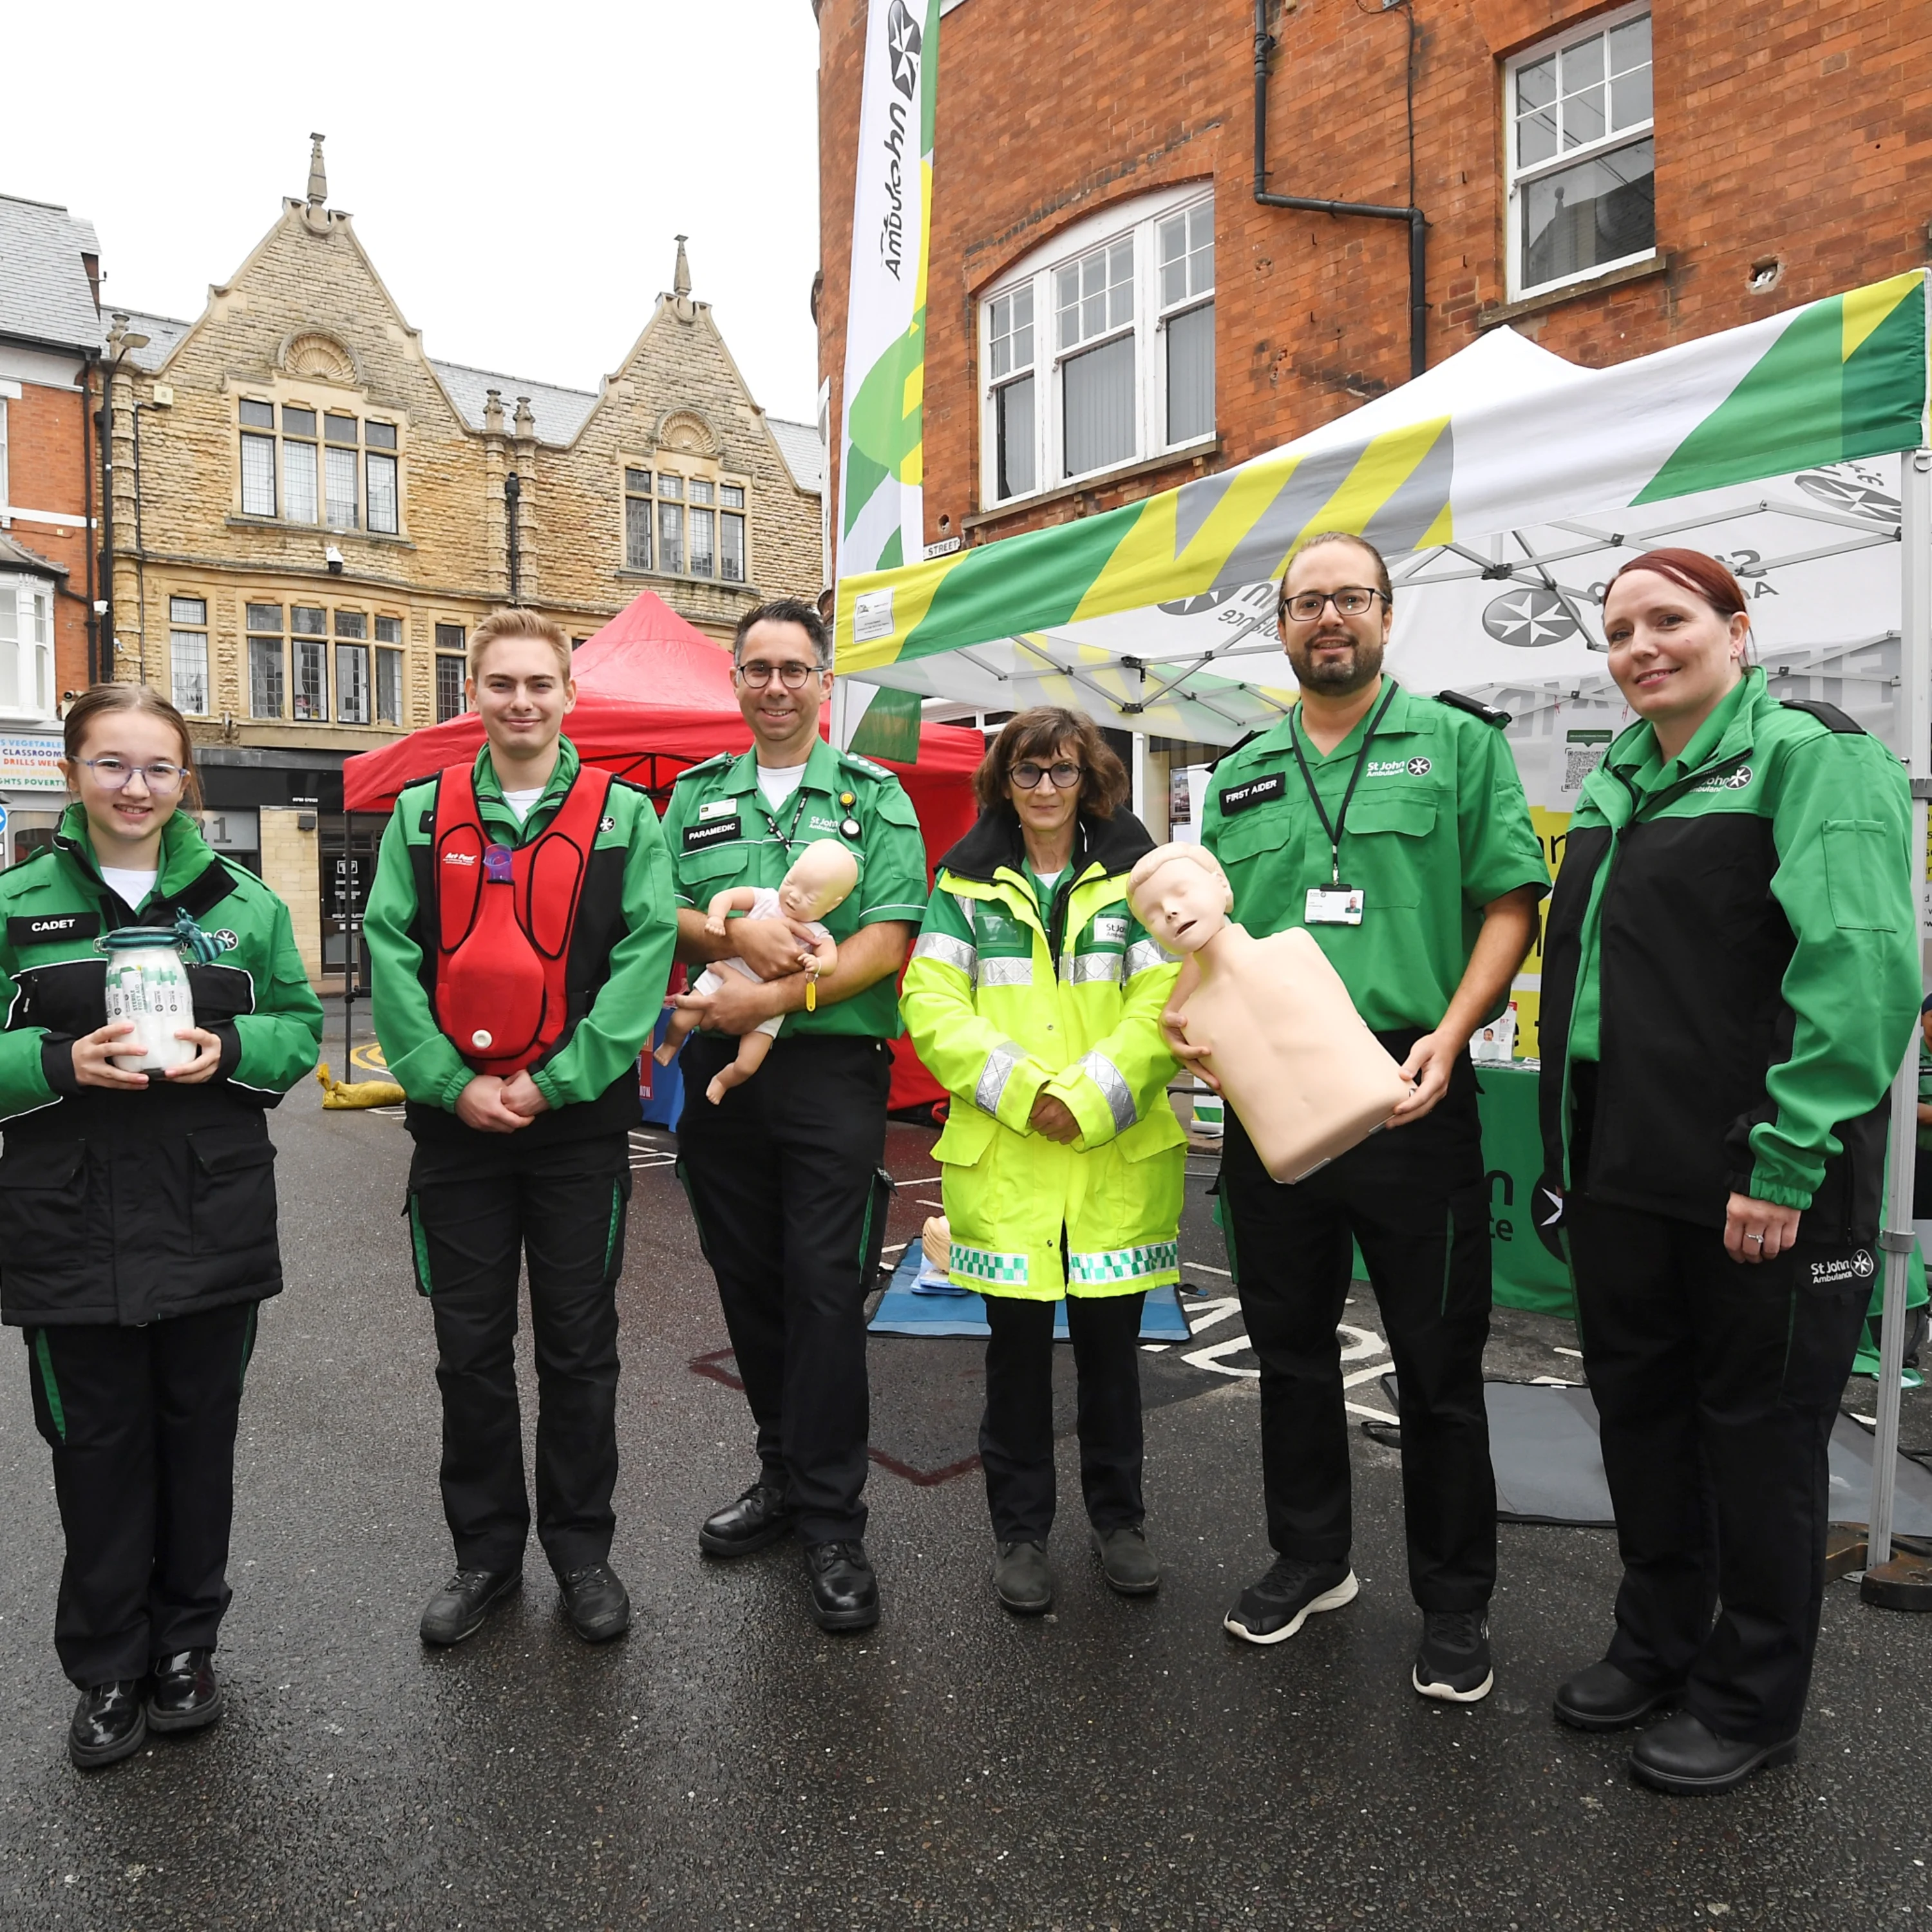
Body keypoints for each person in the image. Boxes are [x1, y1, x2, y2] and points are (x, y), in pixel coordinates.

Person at [1535, 549, 1917, 1794]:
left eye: (1670, 620)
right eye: (1620, 629)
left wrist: (1788, 1159)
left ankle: (1753, 1701)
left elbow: (1863, 970)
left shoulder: (1814, 757)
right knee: (1642, 1425)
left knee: (1758, 1441)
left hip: (1760, 1179)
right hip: (1623, 1172)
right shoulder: (1619, 783)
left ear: (1737, 631)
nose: (1642, 646)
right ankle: (1657, 1643)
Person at [1182, 531, 1548, 1700]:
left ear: (1388, 615)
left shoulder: (1458, 747)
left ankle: (1454, 1602)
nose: (1326, 619)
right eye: (1305, 603)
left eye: (1350, 599)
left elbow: (1508, 904)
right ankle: (1312, 1557)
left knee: (1437, 1365)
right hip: (1270, 1093)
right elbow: (1210, 948)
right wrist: (1188, 1024)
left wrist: (1453, 1030)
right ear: (1280, 626)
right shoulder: (1237, 775)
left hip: (1408, 1081)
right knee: (1289, 1350)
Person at [2, 683, 323, 1769]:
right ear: (70, 773)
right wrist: (56, 1062)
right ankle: (105, 1668)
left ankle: (186, 1646)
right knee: (94, 1452)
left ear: (185, 779)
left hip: (208, 1213)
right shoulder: (14, 906)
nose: (134, 788)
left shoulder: (244, 902)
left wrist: (231, 1052)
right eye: (111, 764)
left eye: (156, 768)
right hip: (65, 1222)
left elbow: (297, 1027)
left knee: (197, 1442)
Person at [365, 609, 676, 1648]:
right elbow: (391, 954)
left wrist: (557, 1082)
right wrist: (451, 1084)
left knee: (581, 1351)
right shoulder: (420, 814)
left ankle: (582, 1553)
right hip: (456, 1133)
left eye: (540, 683)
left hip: (576, 1130)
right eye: (501, 683)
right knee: (470, 1351)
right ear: (475, 692)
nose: (522, 701)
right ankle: (487, 1556)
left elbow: (644, 956)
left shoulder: (627, 818)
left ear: (568, 694)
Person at [661, 597, 927, 1633]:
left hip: (829, 1072)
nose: (776, 685)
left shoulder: (873, 796)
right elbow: (661, 910)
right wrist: (719, 934)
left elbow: (890, 936)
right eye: (758, 668)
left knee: (823, 1289)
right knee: (749, 1283)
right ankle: (780, 1473)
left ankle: (833, 1518)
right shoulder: (691, 797)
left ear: (825, 683)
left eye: (795, 669)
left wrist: (776, 992)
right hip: (724, 1070)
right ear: (734, 681)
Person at [901, 708, 1182, 1614]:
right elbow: (933, 1003)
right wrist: (1032, 1095)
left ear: (1091, 778)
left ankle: (1121, 1522)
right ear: (1004, 785)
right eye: (1029, 773)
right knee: (1014, 1367)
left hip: (1112, 1165)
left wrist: (1093, 1096)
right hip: (1014, 1163)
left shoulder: (1142, 882)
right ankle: (1020, 1533)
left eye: (1063, 771)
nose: (1048, 789)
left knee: (1112, 1362)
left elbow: (1170, 998)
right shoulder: (964, 886)